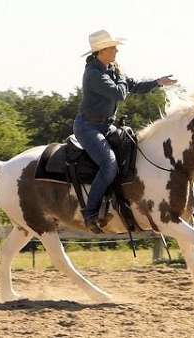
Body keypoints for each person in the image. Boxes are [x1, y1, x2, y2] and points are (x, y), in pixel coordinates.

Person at [74, 29, 177, 232]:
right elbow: (119, 93)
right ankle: (90, 213)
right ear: (101, 51)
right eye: (113, 47)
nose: (116, 51)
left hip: (105, 126)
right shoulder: (93, 74)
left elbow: (133, 85)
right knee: (109, 163)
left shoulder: (110, 69)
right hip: (88, 127)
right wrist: (121, 77)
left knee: (134, 149)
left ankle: (120, 201)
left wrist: (157, 82)